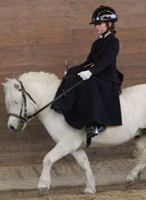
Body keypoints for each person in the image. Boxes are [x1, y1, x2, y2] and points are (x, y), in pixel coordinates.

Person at [51, 5, 123, 146]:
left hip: (107, 78)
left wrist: (90, 72)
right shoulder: (97, 43)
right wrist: (75, 70)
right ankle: (61, 104)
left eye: (98, 24)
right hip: (97, 74)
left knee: (90, 85)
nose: (96, 27)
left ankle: (96, 124)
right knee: (71, 74)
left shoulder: (114, 42)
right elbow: (89, 62)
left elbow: (105, 62)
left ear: (109, 24)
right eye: (95, 24)